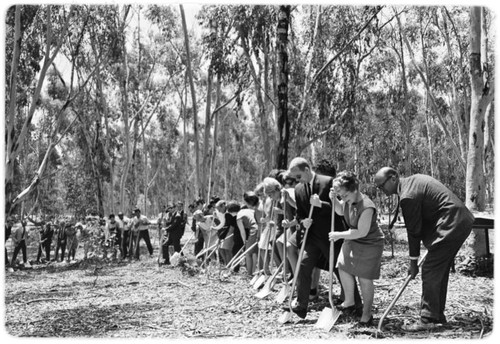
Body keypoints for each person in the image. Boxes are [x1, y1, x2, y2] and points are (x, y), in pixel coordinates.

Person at [374, 167, 474, 331]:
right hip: (460, 221)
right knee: (438, 270)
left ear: (393, 178)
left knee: (430, 269)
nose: (381, 190)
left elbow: (413, 231)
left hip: (452, 223)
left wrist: (413, 262)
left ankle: (428, 319)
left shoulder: (408, 195)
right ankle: (437, 316)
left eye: (381, 185)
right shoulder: (411, 184)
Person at [284, 157, 358, 319]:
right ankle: (301, 305)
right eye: (295, 179)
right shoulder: (298, 189)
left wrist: (321, 205)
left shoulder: (328, 182)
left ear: (306, 170)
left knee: (341, 268)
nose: (297, 180)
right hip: (312, 237)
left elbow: (340, 208)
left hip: (331, 234)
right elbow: (300, 214)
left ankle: (355, 304)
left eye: (298, 176)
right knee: (303, 265)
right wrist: (303, 221)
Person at [328, 171, 385, 326]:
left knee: (364, 278)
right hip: (352, 238)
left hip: (370, 242)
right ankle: (349, 301)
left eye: (345, 196)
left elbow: (361, 231)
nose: (343, 199)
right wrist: (334, 200)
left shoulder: (367, 206)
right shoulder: (347, 199)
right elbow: (340, 210)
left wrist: (339, 235)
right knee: (342, 266)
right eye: (341, 196)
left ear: (354, 190)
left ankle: (366, 315)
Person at [237, 192, 260, 276]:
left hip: (254, 230)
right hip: (260, 228)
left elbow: (242, 231)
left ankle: (250, 273)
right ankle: (253, 273)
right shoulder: (251, 209)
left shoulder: (238, 216)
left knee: (248, 253)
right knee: (254, 252)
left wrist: (244, 242)